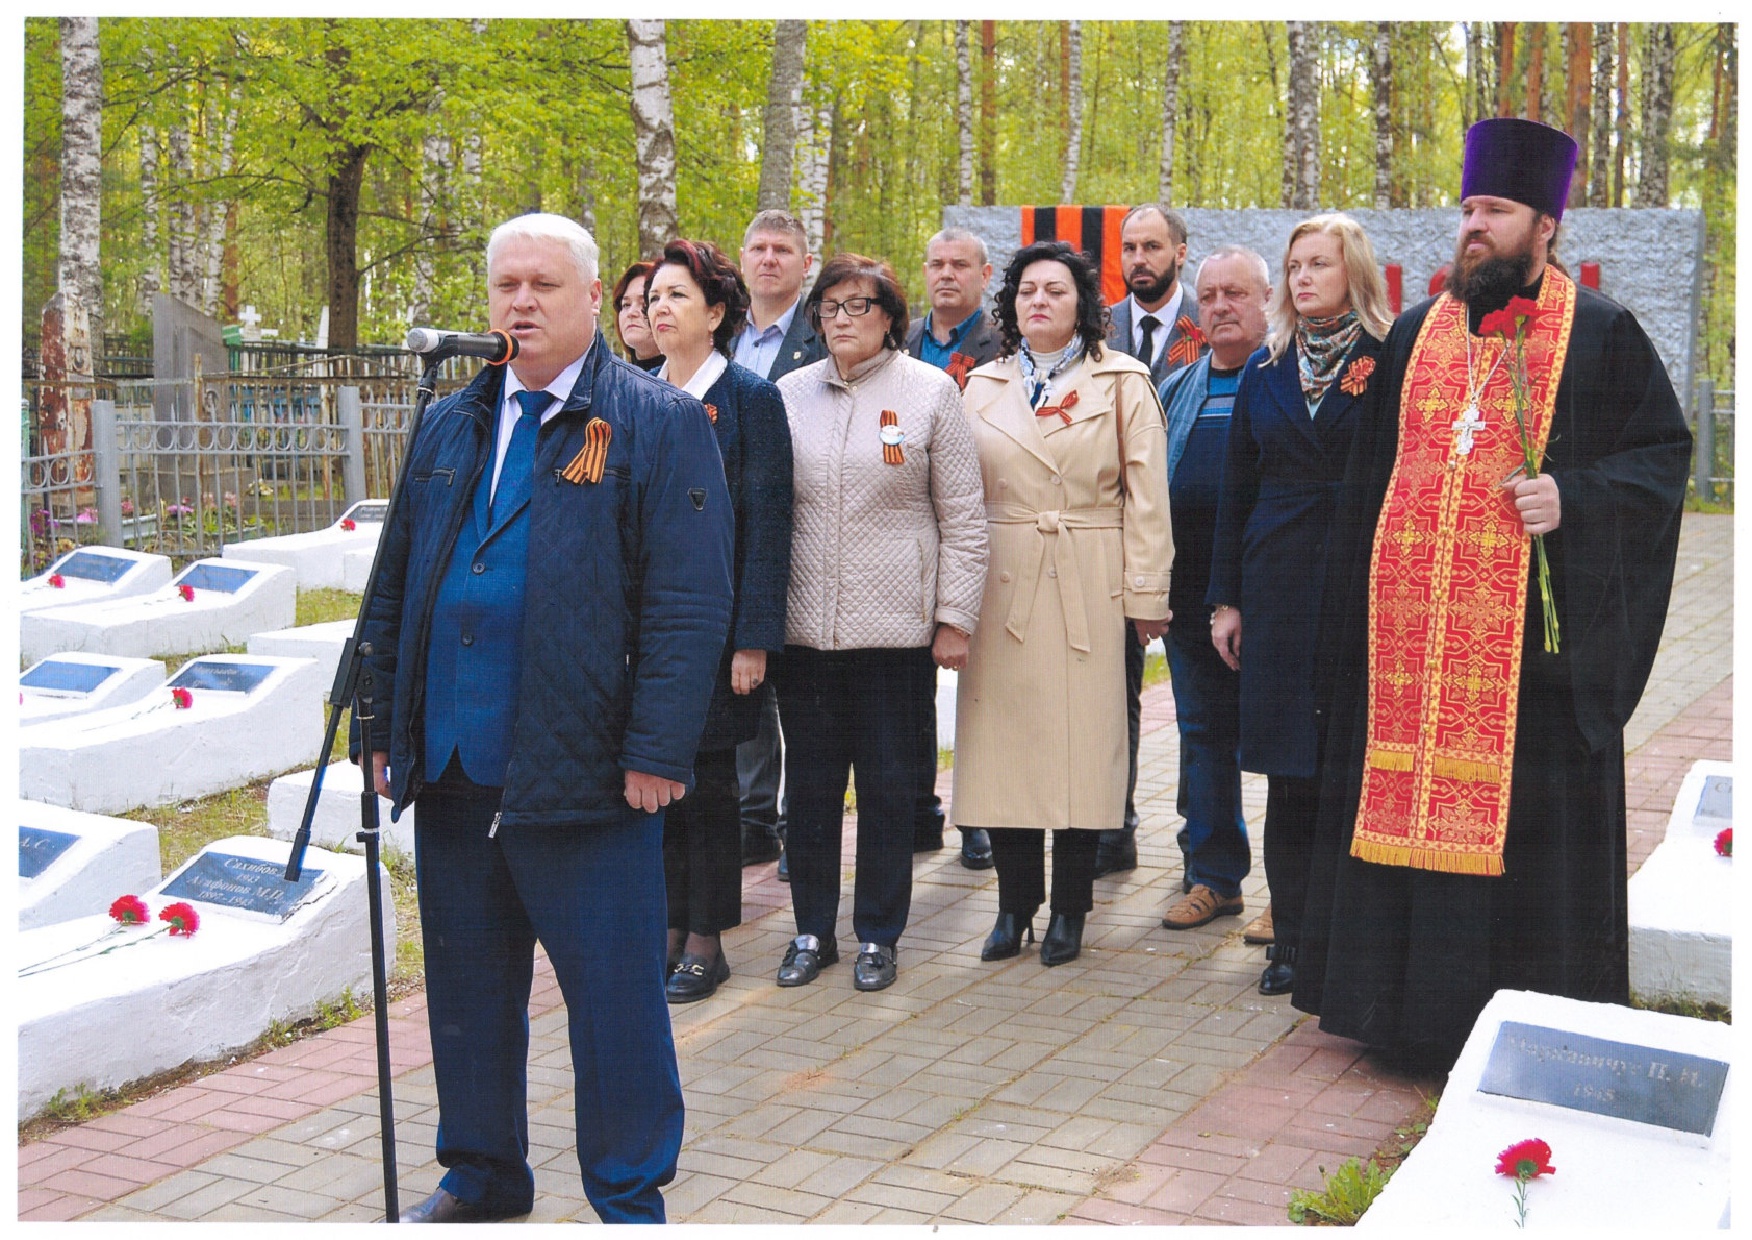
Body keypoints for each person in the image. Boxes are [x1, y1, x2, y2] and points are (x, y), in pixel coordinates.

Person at [356, 213, 733, 1224]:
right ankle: (483, 1174)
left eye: (544, 286)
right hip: (454, 759)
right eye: (505, 285)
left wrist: (659, 745)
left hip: (588, 767)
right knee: (470, 995)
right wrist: (383, 726)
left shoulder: (654, 422)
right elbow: (397, 587)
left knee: (612, 999)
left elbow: (689, 603)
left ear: (589, 294)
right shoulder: (450, 424)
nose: (520, 303)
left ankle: (625, 1187)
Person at [1295, 118, 1690, 1066]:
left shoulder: (1599, 333)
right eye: (1469, 208)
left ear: (1545, 225)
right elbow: (1367, 488)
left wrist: (1576, 496)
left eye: (1496, 211)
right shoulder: (1419, 333)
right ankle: (1397, 1019)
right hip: (1406, 655)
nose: (1474, 227)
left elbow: (1660, 462)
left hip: (1528, 668)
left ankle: (1519, 1021)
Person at [772, 253, 986, 992]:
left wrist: (954, 617)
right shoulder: (790, 394)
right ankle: (809, 929)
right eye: (829, 308)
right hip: (805, 635)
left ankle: (878, 934)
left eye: (857, 306)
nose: (840, 321)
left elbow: (963, 517)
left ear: (891, 316)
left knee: (891, 790)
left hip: (896, 636)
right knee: (810, 792)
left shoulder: (929, 392)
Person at [956, 240, 1173, 968]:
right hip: (1004, 578)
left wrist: (1147, 597)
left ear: (1084, 303)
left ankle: (1071, 909)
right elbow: (957, 500)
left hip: (1089, 574)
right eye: (1026, 291)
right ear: (1010, 306)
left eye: (1055, 289)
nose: (1039, 301)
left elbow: (1148, 497)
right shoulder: (980, 386)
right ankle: (1014, 905)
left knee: (1083, 754)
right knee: (1007, 752)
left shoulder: (1122, 381)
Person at [1206, 213, 1392, 997]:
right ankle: (1290, 934)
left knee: (1347, 767)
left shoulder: (1390, 360)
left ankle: (1345, 937)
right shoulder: (1263, 368)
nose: (1303, 277)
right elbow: (1234, 492)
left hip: (1356, 578)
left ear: (1355, 271)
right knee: (1288, 771)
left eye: (1320, 262)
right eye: (1294, 265)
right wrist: (1225, 600)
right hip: (1277, 578)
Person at [645, 238, 793, 1003]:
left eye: (676, 296)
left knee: (707, 787)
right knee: (656, 781)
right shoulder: (635, 391)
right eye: (653, 297)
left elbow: (768, 527)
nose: (658, 309)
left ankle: (708, 935)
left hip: (718, 630)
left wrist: (752, 638)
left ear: (717, 313)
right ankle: (669, 923)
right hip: (648, 633)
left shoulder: (747, 400)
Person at [1153, 247, 1270, 935]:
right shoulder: (1179, 387)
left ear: (1266, 299)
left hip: (1271, 598)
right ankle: (1214, 878)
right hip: (1190, 596)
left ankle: (1293, 891)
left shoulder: (1287, 380)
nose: (1221, 306)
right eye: (1210, 294)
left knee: (1286, 745)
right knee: (1202, 738)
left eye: (1236, 293)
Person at [1100, 204, 1207, 879]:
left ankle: (1202, 850)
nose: (1140, 259)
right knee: (1112, 694)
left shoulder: (1211, 321)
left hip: (1191, 541)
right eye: (1130, 247)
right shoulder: (1100, 328)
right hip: (1110, 545)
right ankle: (1113, 831)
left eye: (1153, 247)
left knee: (1195, 706)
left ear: (1180, 252)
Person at [902, 225, 1003, 872]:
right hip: (908, 527)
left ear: (984, 274)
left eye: (959, 264)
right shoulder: (903, 337)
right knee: (909, 685)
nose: (946, 274)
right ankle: (917, 808)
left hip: (975, 519)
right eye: (936, 263)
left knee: (977, 682)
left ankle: (980, 816)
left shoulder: (1002, 342)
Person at [731, 209, 826, 873]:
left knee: (801, 684)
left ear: (804, 263)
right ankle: (753, 818)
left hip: (808, 523)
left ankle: (802, 821)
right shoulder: (722, 333)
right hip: (731, 526)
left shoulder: (824, 334)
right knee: (747, 679)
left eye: (782, 250)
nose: (769, 260)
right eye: (759, 248)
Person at [610, 260, 664, 372]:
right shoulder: (611, 383)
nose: (631, 313)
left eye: (644, 303)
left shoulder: (690, 381)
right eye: (626, 305)